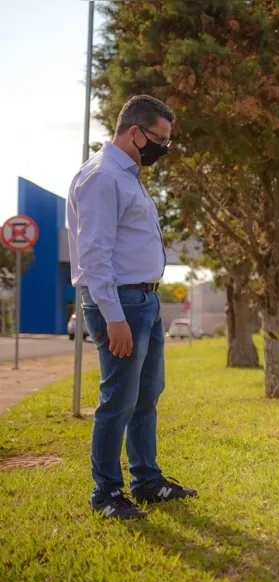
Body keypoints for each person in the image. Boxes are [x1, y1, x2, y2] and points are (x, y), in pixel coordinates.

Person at [67, 94, 197, 520]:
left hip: (145, 299)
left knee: (146, 396)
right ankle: (105, 494)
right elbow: (94, 255)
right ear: (135, 132)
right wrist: (113, 316)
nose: (163, 149)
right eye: (159, 139)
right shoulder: (103, 178)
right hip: (120, 301)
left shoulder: (128, 175)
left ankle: (147, 481)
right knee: (117, 400)